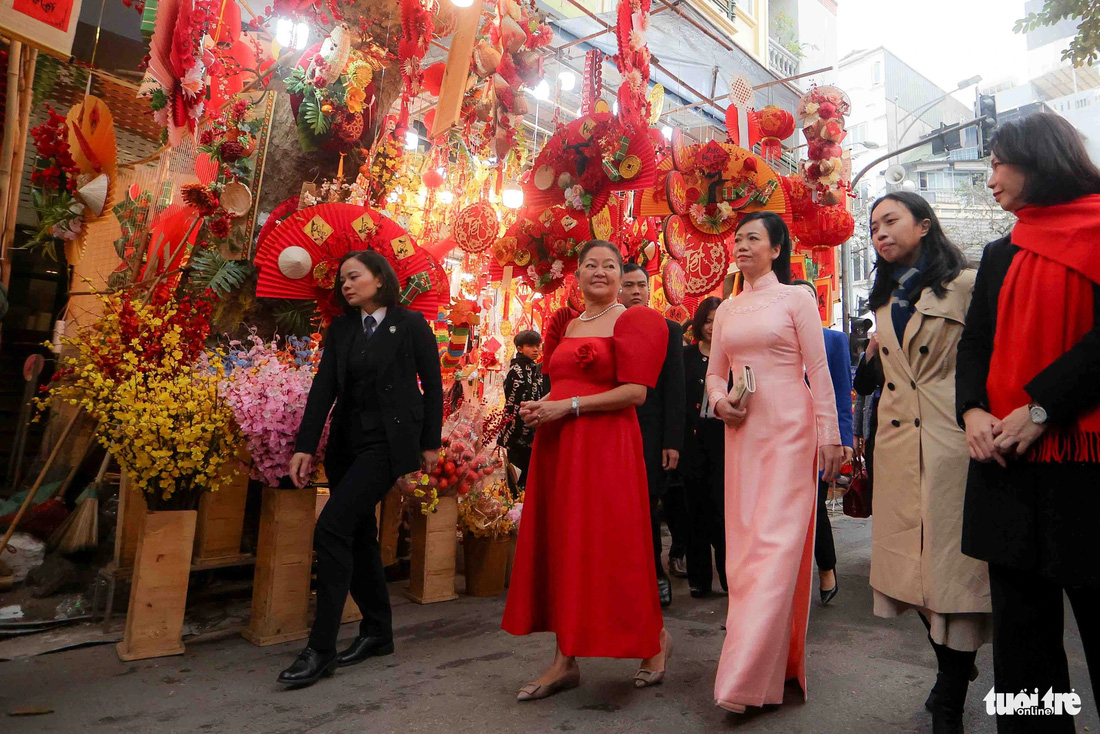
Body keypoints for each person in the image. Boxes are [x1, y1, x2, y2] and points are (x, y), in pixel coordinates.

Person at [956, 113, 1100, 734]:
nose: (990, 177)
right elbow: (976, 347)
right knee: (1022, 652)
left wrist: (1042, 408)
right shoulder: (999, 252)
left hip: (1087, 472)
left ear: (1035, 159)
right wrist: (972, 412)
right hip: (1005, 467)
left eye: (996, 162)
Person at [502, 240, 672, 701]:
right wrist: (542, 407)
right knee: (563, 544)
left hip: (606, 448)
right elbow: (562, 384)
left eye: (610, 265)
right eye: (590, 264)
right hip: (559, 446)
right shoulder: (570, 323)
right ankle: (564, 660)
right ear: (576, 274)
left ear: (622, 276)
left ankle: (654, 644)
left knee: (615, 542)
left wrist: (568, 407)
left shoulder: (638, 319)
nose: (600, 271)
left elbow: (635, 393)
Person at [279, 251, 443, 688]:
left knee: (331, 528)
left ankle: (321, 648)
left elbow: (433, 383)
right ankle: (377, 632)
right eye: (341, 280)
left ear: (378, 278)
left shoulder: (410, 325)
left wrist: (429, 444)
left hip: (387, 445)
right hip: (346, 446)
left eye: (354, 277)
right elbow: (324, 387)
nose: (345, 285)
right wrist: (305, 446)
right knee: (358, 535)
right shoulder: (343, 328)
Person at [707, 212, 843, 713]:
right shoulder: (727, 309)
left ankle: (742, 682)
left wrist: (830, 435)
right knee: (744, 556)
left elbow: (818, 369)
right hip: (742, 434)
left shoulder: (796, 299)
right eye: (737, 238)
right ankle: (768, 667)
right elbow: (714, 377)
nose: (741, 246)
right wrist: (722, 404)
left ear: (777, 247)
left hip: (790, 429)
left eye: (753, 239)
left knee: (775, 548)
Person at [866, 192, 987, 734]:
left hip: (951, 444)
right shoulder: (884, 297)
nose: (880, 233)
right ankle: (951, 674)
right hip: (895, 447)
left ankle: (949, 698)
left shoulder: (967, 285)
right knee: (908, 576)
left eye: (890, 221)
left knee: (952, 577)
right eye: (872, 228)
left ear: (925, 224)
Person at [620, 263, 686, 607]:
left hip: (651, 434)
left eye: (640, 285)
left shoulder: (668, 330)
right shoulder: (607, 329)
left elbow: (676, 390)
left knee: (648, 508)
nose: (635, 291)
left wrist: (673, 441)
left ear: (649, 290)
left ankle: (656, 574)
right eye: (628, 285)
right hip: (612, 428)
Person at [793, 280, 854, 606]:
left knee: (813, 507)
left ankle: (826, 567)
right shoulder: (781, 340)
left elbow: (843, 391)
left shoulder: (833, 340)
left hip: (819, 437)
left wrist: (843, 437)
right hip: (784, 436)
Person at [681, 296, 727, 598]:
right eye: (707, 321)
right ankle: (698, 579)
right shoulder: (685, 357)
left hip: (725, 440)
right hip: (692, 442)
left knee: (723, 513)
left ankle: (729, 577)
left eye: (717, 321)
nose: (712, 327)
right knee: (693, 511)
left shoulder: (734, 355)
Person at [497, 330, 546, 492]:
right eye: (530, 346)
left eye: (537, 346)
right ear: (519, 348)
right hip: (516, 433)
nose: (535, 350)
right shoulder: (515, 371)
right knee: (516, 476)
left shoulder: (535, 369)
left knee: (527, 474)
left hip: (532, 430)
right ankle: (513, 511)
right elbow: (513, 405)